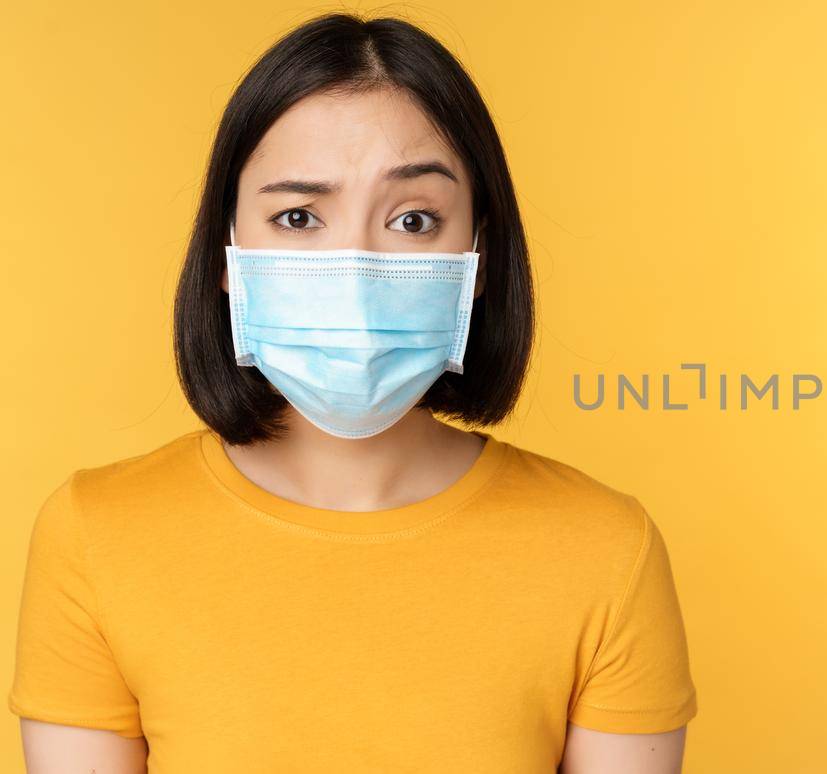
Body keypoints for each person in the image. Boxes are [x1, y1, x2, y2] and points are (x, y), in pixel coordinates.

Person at [7, 13, 697, 773]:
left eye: (412, 219)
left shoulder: (605, 550)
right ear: (229, 256)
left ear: (477, 257)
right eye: (298, 217)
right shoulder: (97, 536)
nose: (357, 269)